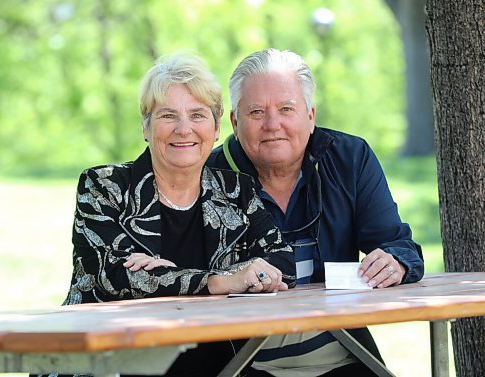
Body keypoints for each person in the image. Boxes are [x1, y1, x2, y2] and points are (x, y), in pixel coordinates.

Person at [62, 53, 296, 376]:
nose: (184, 129)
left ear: (216, 129)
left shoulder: (236, 190)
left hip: (220, 367)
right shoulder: (103, 187)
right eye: (168, 115)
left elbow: (281, 263)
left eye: (198, 115)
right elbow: (113, 277)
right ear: (146, 127)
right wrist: (219, 280)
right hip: (107, 365)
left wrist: (171, 275)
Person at [207, 48, 424, 376]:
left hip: (344, 355)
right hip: (237, 364)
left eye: (286, 109)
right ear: (235, 122)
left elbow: (401, 247)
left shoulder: (350, 158)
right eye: (256, 112)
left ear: (310, 116)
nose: (272, 124)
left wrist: (394, 262)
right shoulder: (206, 175)